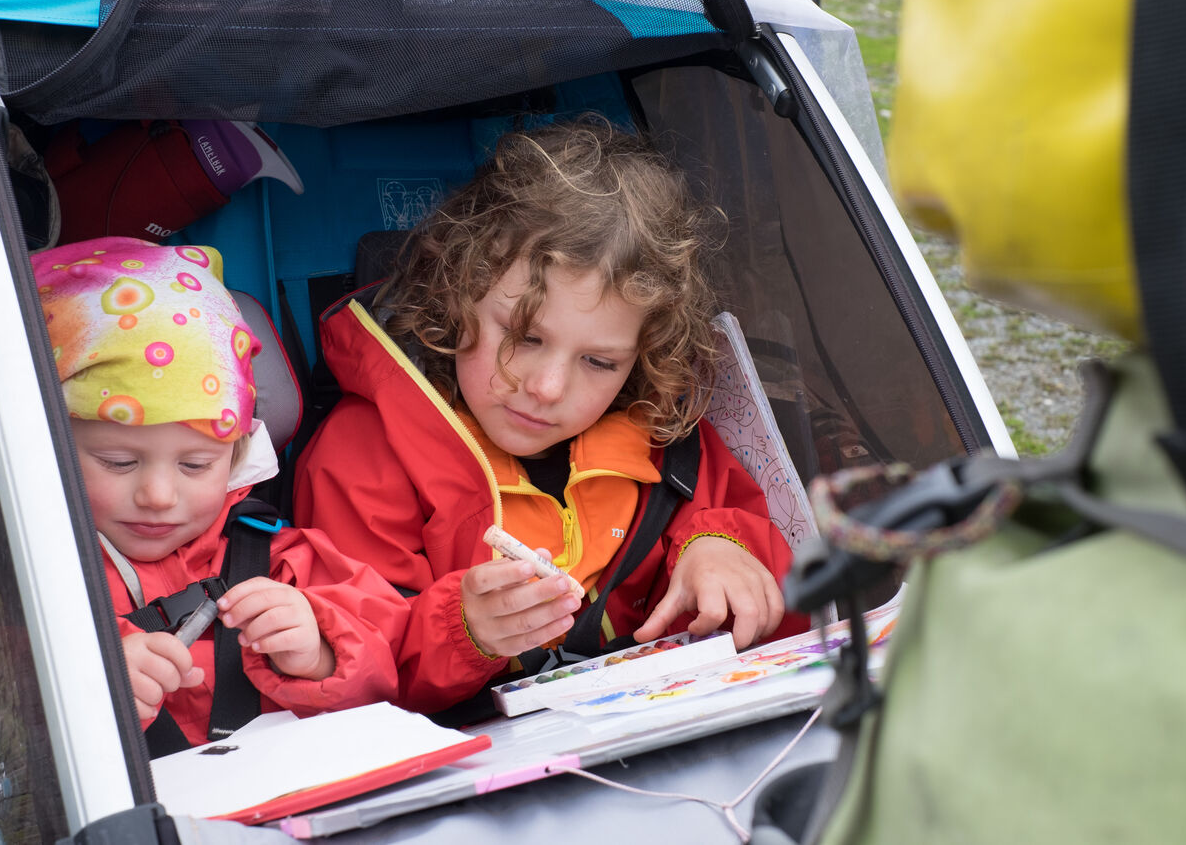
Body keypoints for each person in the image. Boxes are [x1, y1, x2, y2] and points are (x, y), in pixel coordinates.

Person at [293, 118, 809, 715]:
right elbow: (340, 662)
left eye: (599, 361)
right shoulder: (362, 455)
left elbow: (740, 532)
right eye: (523, 337)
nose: (546, 387)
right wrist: (465, 630)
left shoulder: (666, 442)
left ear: (642, 357)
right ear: (456, 293)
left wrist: (719, 550)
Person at [33, 236, 408, 750]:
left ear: (235, 456)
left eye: (195, 464)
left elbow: (391, 672)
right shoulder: (31, 582)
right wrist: (83, 688)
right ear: (48, 445)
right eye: (119, 462)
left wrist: (320, 651)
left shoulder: (277, 556)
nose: (159, 495)